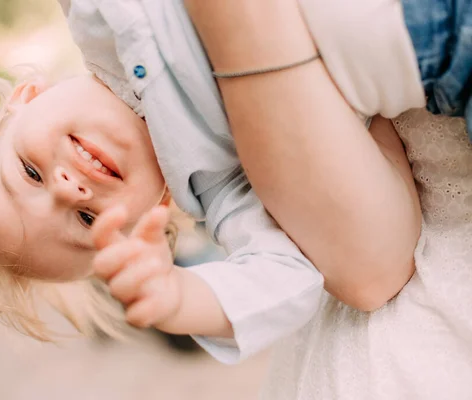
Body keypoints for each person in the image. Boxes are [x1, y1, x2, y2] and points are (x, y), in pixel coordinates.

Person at [58, 0, 472, 397]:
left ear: (26, 98)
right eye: (87, 219)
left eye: (29, 172)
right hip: (433, 38)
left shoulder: (93, 21)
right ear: (150, 217)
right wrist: (182, 295)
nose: (67, 188)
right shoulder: (223, 184)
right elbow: (280, 276)